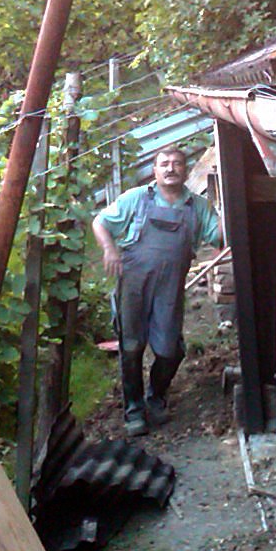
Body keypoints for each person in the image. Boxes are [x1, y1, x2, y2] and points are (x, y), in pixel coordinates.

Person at [92, 147, 223, 436]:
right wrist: (109, 249)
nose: (170, 168)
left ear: (186, 170)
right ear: (155, 170)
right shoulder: (136, 199)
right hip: (133, 286)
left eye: (177, 163)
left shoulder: (198, 207)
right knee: (130, 348)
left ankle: (156, 396)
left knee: (169, 350)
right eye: (164, 164)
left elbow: (219, 237)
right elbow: (100, 222)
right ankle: (134, 410)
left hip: (170, 289)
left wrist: (233, 213)